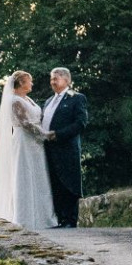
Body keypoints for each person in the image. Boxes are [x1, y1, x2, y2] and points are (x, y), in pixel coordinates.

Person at [0, 70, 58, 229]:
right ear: (21, 83)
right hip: (24, 141)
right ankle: (25, 218)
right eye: (29, 81)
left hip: (35, 143)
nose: (32, 83)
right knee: (25, 175)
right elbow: (26, 123)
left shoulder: (27, 99)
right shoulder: (14, 101)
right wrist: (45, 135)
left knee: (39, 175)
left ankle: (42, 217)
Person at [42, 67, 90, 228]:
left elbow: (80, 123)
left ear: (67, 80)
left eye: (56, 78)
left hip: (67, 149)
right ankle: (61, 219)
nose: (53, 82)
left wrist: (59, 134)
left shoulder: (76, 98)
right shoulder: (48, 101)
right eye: (51, 79)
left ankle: (70, 219)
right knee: (54, 183)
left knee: (68, 183)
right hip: (49, 150)